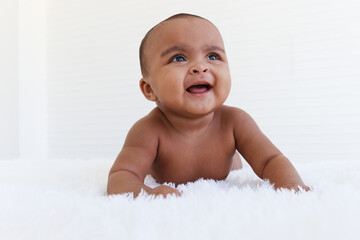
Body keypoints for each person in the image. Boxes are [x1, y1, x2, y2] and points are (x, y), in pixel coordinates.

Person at [107, 13, 309, 198]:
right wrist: (146, 194)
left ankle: (235, 159)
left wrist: (289, 184)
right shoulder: (148, 131)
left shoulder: (235, 122)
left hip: (230, 167)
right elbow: (122, 175)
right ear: (149, 89)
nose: (200, 67)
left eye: (213, 56)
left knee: (238, 164)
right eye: (179, 58)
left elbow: (270, 160)